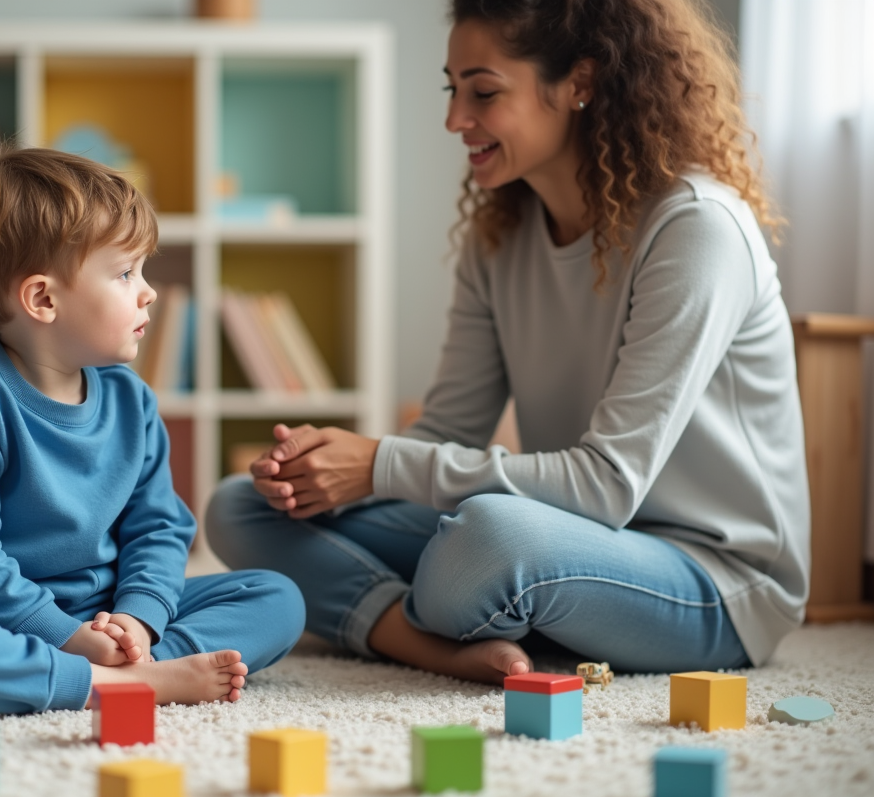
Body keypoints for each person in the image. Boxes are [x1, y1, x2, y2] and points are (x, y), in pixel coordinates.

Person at [206, 0, 808, 683]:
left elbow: (608, 486)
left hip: (716, 580)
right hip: (570, 538)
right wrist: (325, 472)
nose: (455, 120)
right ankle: (422, 638)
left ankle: (414, 611)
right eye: (452, 89)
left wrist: (377, 466)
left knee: (488, 540)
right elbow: (448, 429)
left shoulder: (696, 229)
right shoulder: (498, 239)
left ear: (580, 83)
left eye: (484, 92)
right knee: (243, 507)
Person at [0, 146, 305, 714]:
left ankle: (146, 663)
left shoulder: (131, 400)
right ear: (43, 298)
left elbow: (158, 528)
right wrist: (67, 636)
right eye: (125, 273)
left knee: (277, 597)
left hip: (103, 609)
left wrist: (138, 619)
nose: (148, 290)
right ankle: (114, 683)